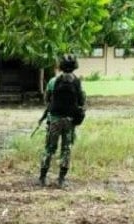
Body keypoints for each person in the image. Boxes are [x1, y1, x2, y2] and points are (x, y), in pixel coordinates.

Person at [38, 54, 86, 188]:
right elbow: (82, 101)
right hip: (69, 121)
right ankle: (61, 179)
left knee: (49, 148)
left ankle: (42, 177)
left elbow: (47, 99)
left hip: (54, 120)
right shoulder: (77, 81)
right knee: (66, 149)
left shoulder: (54, 81)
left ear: (61, 66)